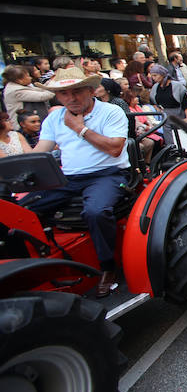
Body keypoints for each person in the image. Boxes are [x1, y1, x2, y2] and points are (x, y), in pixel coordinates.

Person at [28, 68, 131, 297]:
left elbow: (115, 149)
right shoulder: (54, 118)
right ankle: (40, 262)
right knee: (22, 209)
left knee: (96, 211)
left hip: (108, 173)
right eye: (64, 93)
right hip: (69, 177)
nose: (71, 98)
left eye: (77, 92)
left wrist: (80, 129)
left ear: (90, 91)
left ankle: (107, 267)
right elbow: (41, 152)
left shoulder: (111, 112)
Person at [2, 64, 55, 129]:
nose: (30, 78)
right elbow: (43, 96)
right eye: (28, 76)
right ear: (19, 80)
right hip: (24, 126)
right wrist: (57, 88)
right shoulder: (16, 91)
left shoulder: (22, 85)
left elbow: (41, 89)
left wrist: (52, 81)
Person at [148, 64, 187, 142]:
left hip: (178, 114)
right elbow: (152, 100)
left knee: (182, 138)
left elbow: (185, 103)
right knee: (169, 140)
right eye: (152, 76)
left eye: (155, 75)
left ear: (162, 74)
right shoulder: (155, 87)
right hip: (165, 116)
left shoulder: (177, 86)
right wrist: (158, 110)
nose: (153, 78)